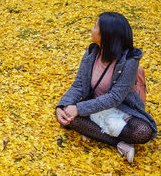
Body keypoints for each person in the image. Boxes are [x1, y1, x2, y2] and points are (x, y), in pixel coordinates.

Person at [56, 12, 157, 163]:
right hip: (94, 107)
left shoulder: (129, 61)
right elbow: (78, 85)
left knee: (143, 132)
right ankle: (118, 143)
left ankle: (93, 131)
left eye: (95, 26)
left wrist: (79, 109)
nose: (91, 30)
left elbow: (115, 98)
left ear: (107, 34)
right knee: (68, 117)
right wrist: (61, 106)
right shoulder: (91, 54)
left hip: (121, 108)